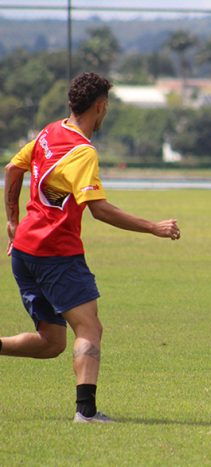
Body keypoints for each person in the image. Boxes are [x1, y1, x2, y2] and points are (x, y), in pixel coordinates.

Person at [2, 72, 181, 423]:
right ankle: (86, 412)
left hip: (25, 253)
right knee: (89, 329)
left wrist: (11, 221)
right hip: (56, 255)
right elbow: (99, 209)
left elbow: (12, 168)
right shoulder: (82, 152)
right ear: (100, 107)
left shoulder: (48, 133)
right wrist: (154, 227)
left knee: (52, 342)